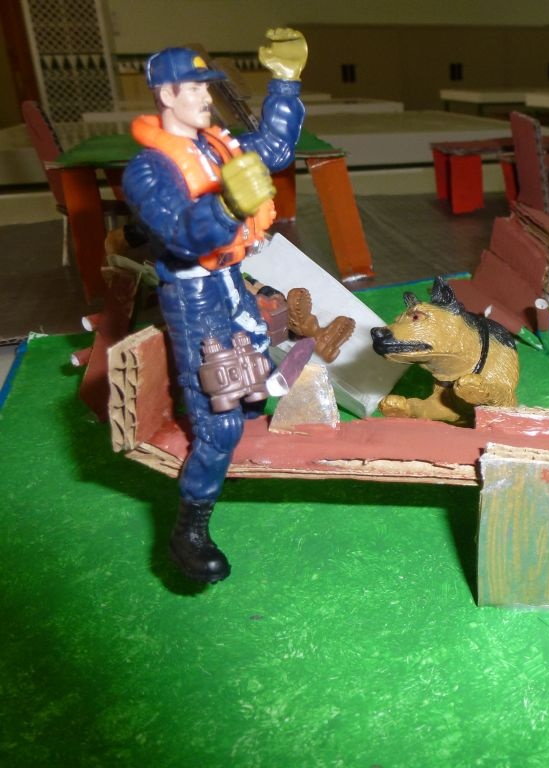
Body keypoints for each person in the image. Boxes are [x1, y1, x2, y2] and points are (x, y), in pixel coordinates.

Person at [123, 29, 308, 583]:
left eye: (208, 87)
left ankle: (244, 424)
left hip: (229, 279)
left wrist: (285, 83)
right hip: (192, 294)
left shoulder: (215, 146)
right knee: (220, 421)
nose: (207, 96)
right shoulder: (148, 170)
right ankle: (189, 531)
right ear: (167, 94)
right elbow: (182, 233)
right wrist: (227, 206)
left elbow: (275, 150)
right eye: (195, 88)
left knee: (255, 378)